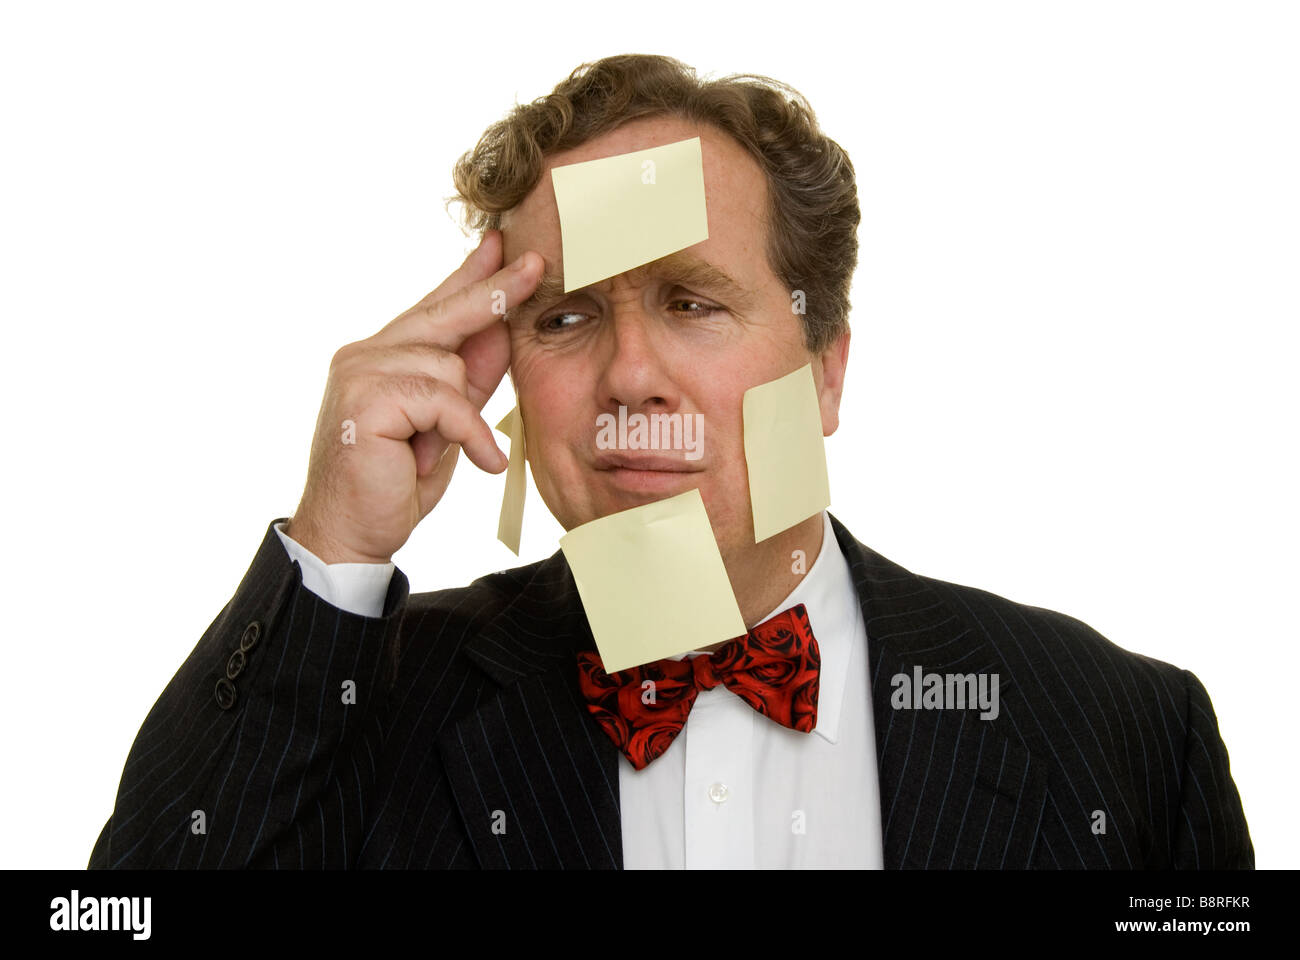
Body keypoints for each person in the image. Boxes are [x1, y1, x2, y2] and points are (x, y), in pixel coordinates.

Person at [89, 54, 1252, 869]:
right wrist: (335, 547)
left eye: (692, 302)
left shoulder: (1124, 731)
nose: (630, 375)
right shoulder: (366, 709)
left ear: (824, 370)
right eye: (566, 317)